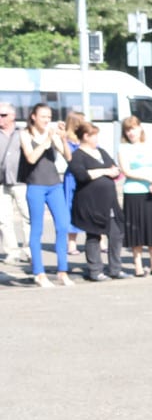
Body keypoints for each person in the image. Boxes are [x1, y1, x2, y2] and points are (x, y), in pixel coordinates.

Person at [18, 104, 72, 287]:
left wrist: (63, 139)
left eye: (49, 117)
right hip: (36, 186)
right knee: (37, 230)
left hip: (54, 185)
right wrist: (45, 141)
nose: (47, 120)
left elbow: (68, 157)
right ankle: (39, 273)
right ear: (33, 117)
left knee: (63, 225)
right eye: (43, 116)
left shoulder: (52, 134)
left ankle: (62, 271)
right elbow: (31, 158)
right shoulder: (25, 134)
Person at [66, 120, 124, 280]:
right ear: (85, 136)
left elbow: (114, 169)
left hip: (109, 201)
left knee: (116, 234)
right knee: (94, 235)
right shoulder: (77, 156)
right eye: (94, 135)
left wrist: (111, 172)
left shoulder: (101, 151)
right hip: (90, 202)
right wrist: (105, 171)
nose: (97, 139)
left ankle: (115, 268)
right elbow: (82, 175)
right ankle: (95, 270)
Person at [117, 116, 152, 276]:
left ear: (140, 128)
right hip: (133, 192)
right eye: (128, 129)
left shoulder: (151, 146)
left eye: (133, 128)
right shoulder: (123, 148)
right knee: (135, 228)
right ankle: (138, 265)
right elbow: (126, 170)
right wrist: (147, 179)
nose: (131, 132)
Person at [0, 101, 25, 264]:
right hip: (1, 182)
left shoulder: (23, 132)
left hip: (22, 181)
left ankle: (29, 250)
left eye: (3, 115)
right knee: (4, 219)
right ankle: (12, 251)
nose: (0, 118)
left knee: (27, 217)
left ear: (13, 116)